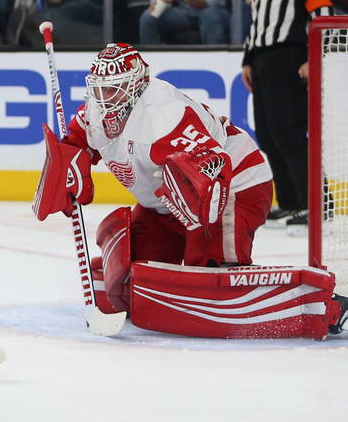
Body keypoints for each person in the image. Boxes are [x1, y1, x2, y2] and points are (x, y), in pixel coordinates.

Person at [33, 42, 347, 339]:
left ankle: (309, 303)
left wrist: (202, 236)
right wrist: (72, 164)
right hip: (165, 202)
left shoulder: (163, 116)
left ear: (137, 85)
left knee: (211, 269)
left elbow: (213, 175)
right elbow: (78, 141)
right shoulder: (95, 111)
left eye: (114, 88)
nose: (105, 97)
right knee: (137, 272)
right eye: (100, 88)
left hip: (235, 186)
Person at [242, 0, 334, 231]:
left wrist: (314, 56)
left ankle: (315, 203)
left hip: (289, 59)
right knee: (267, 134)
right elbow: (257, 20)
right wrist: (248, 59)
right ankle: (291, 202)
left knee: (290, 132)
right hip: (263, 59)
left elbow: (321, 8)